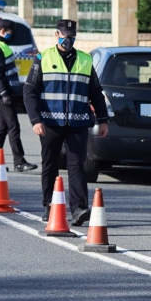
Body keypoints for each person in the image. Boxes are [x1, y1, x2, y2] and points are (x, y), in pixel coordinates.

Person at [23, 19, 109, 226]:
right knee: (50, 165)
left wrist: (103, 119)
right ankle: (50, 206)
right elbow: (30, 91)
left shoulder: (85, 60)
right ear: (56, 35)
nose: (67, 40)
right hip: (50, 122)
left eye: (71, 37)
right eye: (64, 36)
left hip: (78, 123)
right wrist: (35, 119)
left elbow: (96, 93)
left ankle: (79, 209)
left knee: (77, 166)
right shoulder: (43, 58)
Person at [0, 17, 37, 173]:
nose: (11, 36)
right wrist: (4, 92)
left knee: (3, 127)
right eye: (10, 32)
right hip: (0, 92)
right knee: (13, 126)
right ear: (2, 31)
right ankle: (19, 162)